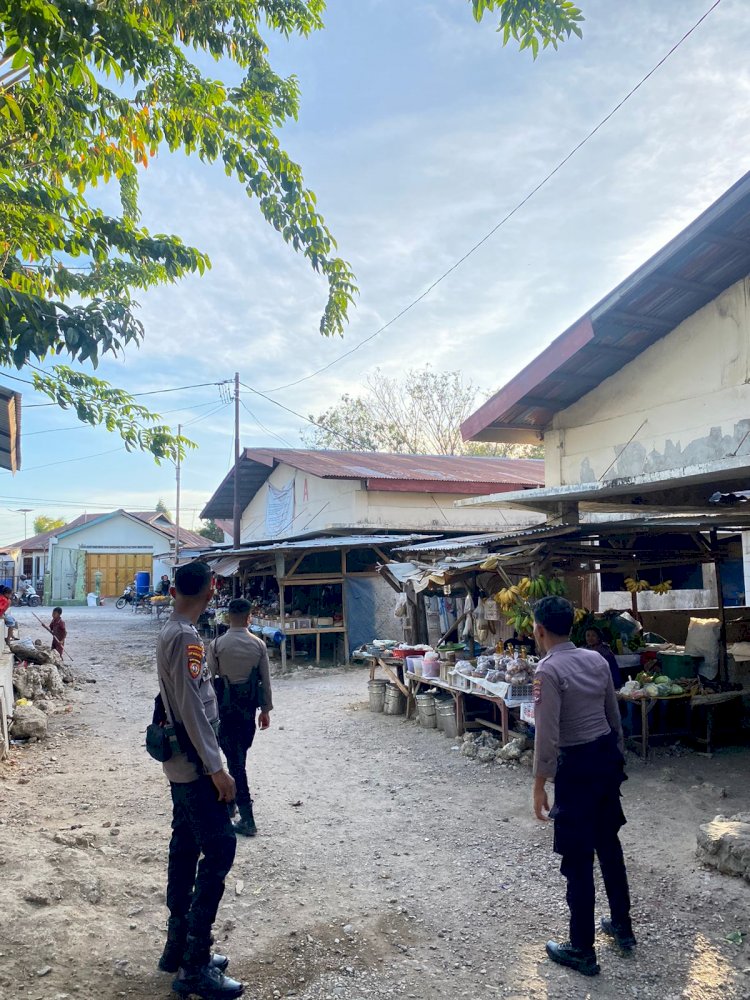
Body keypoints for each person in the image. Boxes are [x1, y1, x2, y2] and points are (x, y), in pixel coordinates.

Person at [532, 596, 635, 978]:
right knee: (609, 846)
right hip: (605, 758)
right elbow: (613, 714)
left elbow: (547, 735)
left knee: (577, 858)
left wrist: (539, 784)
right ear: (571, 627)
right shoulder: (596, 659)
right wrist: (617, 756)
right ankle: (622, 927)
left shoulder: (548, 670)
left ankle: (582, 949)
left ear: (540, 630)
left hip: (575, 766)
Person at [156, 560, 244, 999]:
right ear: (211, 591)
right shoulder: (188, 638)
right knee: (220, 846)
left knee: (185, 845)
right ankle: (194, 966)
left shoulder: (170, 630)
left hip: (180, 761)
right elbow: (193, 707)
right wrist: (217, 768)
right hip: (194, 765)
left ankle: (178, 946)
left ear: (173, 590)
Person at [207, 598, 273, 838]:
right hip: (247, 710)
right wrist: (265, 710)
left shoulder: (216, 645)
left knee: (233, 761)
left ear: (227, 618)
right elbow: (265, 681)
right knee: (239, 760)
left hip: (224, 710)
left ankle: (244, 815)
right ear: (249, 618)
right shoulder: (258, 645)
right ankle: (236, 806)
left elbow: (209, 682)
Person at [584, 626, 622, 690]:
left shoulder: (605, 651)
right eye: (588, 635)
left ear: (598, 638)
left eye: (593, 635)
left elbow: (612, 670)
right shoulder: (584, 650)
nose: (590, 638)